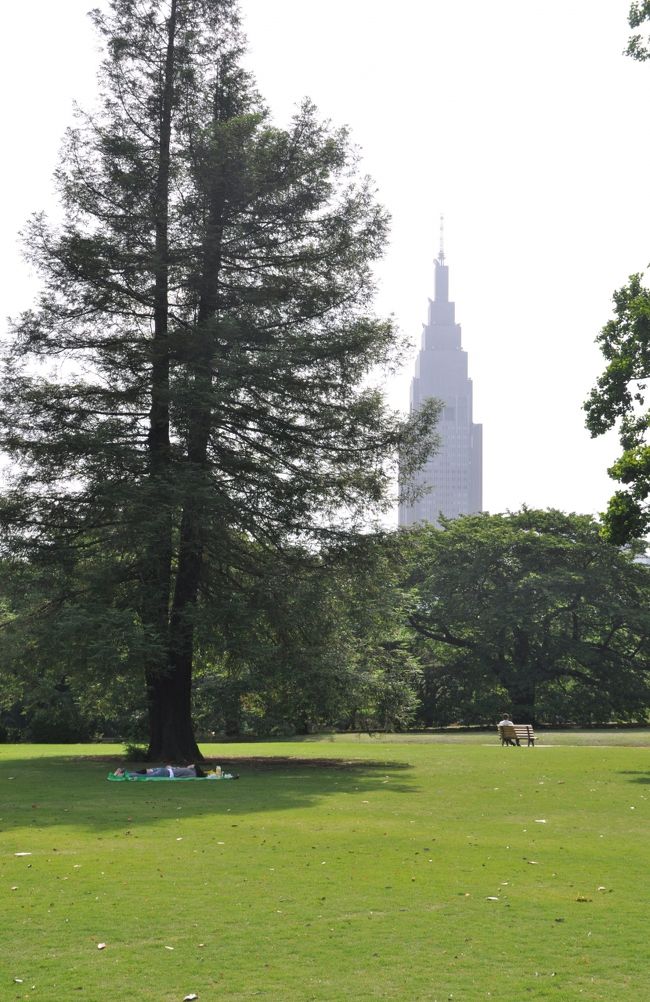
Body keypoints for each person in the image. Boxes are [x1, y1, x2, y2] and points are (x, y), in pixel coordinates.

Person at [114, 763, 207, 778]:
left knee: (146, 772)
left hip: (165, 771)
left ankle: (124, 773)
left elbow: (174, 770)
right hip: (165, 772)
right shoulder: (190, 772)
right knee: (146, 774)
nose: (190, 764)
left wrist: (170, 768)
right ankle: (124, 774)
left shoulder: (190, 771)